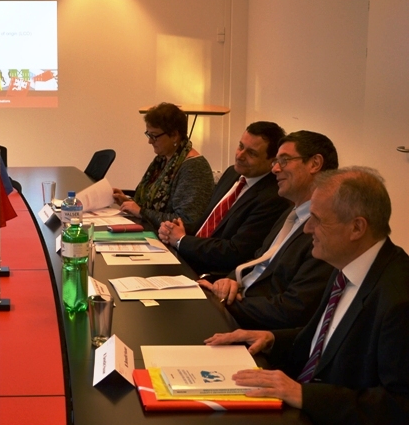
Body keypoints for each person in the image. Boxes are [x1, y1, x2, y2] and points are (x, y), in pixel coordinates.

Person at [205, 167, 409, 425]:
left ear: (357, 227)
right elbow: (325, 342)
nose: (307, 228)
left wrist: (303, 394)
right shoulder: (347, 265)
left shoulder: (399, 299)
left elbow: (400, 408)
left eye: (317, 219)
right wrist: (271, 338)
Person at [199, 131, 338, 329]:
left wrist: (223, 303)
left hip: (254, 326)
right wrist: (229, 282)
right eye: (276, 162)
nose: (275, 169)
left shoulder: (327, 229)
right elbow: (259, 260)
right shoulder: (291, 212)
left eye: (284, 160)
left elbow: (293, 308)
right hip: (236, 305)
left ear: (314, 164)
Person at [159, 122, 291, 274]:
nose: (240, 156)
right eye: (241, 146)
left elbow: (235, 252)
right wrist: (174, 230)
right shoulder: (232, 173)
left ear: (272, 161)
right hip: (187, 256)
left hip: (211, 273)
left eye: (251, 153)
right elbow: (208, 223)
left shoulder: (273, 198)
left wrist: (182, 240)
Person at [112, 102, 214, 233]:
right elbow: (151, 205)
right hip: (155, 232)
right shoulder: (163, 160)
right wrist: (128, 202)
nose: (150, 141)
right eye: (148, 135)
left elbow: (187, 221)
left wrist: (141, 212)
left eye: (154, 136)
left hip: (170, 240)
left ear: (174, 135)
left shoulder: (194, 167)